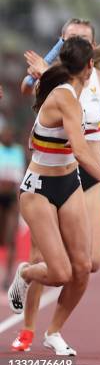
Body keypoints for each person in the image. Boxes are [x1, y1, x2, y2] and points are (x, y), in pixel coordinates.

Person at [12, 18, 100, 352]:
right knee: (50, 262)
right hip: (49, 179)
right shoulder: (55, 85)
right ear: (63, 44)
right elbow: (27, 90)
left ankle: (54, 330)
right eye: (71, 39)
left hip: (81, 175)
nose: (76, 43)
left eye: (82, 39)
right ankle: (29, 328)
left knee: (87, 264)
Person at [0, 123, 25, 290]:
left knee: (11, 239)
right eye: (5, 134)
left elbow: (21, 176)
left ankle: (7, 277)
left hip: (12, 200)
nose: (7, 137)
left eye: (10, 134)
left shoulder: (18, 152)